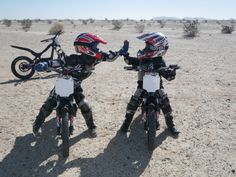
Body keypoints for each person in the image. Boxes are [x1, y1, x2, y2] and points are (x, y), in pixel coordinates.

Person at [33, 33, 128, 137]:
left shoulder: (96, 58)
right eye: (95, 46)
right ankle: (36, 125)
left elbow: (110, 57)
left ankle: (91, 127)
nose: (97, 49)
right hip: (63, 83)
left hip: (76, 86)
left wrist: (121, 52)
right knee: (49, 105)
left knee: (85, 106)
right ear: (85, 47)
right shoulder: (73, 59)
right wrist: (45, 64)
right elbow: (58, 62)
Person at [120, 32, 180, 136]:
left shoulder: (160, 61)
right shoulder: (142, 59)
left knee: (165, 102)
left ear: (158, 48)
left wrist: (171, 71)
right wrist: (125, 54)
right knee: (132, 103)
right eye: (146, 45)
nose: (146, 48)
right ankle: (126, 123)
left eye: (149, 46)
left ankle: (171, 125)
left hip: (157, 87)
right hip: (142, 86)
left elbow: (168, 75)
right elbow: (129, 61)